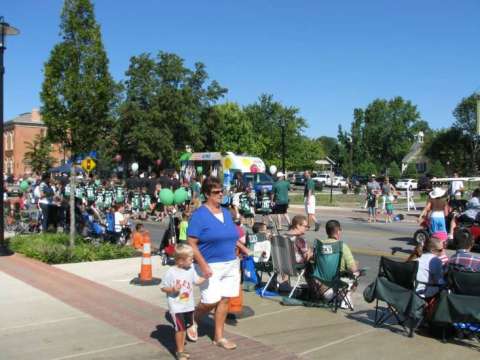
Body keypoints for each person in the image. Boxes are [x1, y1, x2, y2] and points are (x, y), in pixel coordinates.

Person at [187, 176, 242, 350]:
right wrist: (203, 264)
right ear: (206, 194)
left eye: (221, 191)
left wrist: (243, 248)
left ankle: (219, 337)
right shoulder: (199, 215)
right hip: (210, 264)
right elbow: (191, 242)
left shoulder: (226, 213)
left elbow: (231, 236)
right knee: (210, 301)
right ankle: (193, 319)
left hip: (231, 263)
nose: (220, 195)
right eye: (215, 192)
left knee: (225, 300)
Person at [161, 245, 205, 360]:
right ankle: (180, 351)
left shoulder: (191, 269)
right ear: (180, 261)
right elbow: (163, 287)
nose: (192, 261)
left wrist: (206, 276)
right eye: (190, 259)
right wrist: (172, 289)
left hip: (188, 306)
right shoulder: (171, 272)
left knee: (186, 327)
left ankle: (181, 347)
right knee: (179, 329)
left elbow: (197, 281)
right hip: (176, 307)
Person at [319, 220, 360, 308]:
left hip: (322, 279)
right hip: (338, 280)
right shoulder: (342, 246)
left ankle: (335, 295)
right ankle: (346, 297)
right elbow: (353, 269)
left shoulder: (320, 245)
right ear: (338, 231)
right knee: (356, 272)